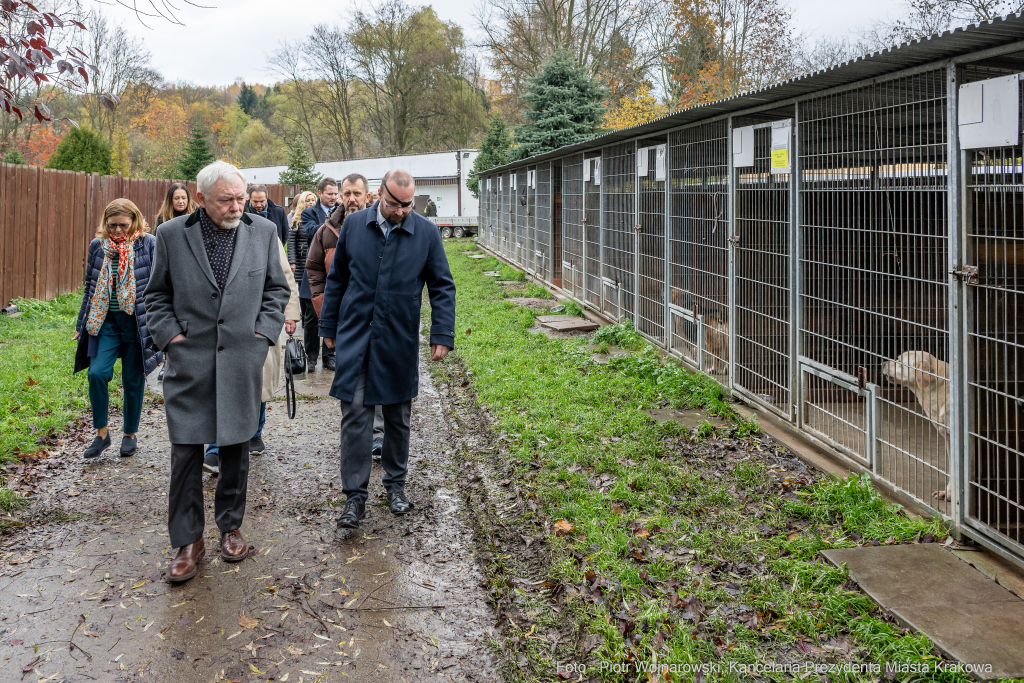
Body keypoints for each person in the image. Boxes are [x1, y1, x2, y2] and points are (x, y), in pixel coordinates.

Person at [145, 160, 289, 582]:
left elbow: (277, 289)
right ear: (201, 197)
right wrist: (171, 337)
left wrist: (262, 334)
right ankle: (189, 541)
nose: (237, 207)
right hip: (189, 361)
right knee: (186, 453)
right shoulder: (171, 235)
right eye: (227, 200)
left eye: (241, 198)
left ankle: (230, 527)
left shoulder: (263, 232)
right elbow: (155, 296)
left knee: (235, 449)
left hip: (241, 358)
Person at [320, 169, 456, 530]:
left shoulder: (425, 232)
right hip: (355, 336)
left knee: (397, 417)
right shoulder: (354, 226)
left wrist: (442, 333)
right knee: (355, 416)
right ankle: (355, 497)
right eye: (394, 204)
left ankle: (396, 486)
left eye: (408, 204)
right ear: (379, 194)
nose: (401, 211)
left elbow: (442, 286)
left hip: (398, 338)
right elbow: (337, 280)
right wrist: (328, 327)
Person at [73, 199, 162, 459]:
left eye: (124, 225)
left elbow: (159, 285)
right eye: (112, 226)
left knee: (133, 380)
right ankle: (102, 434)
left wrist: (160, 324)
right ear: (105, 224)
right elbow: (90, 287)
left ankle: (129, 434)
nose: (118, 231)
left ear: (135, 220)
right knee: (97, 374)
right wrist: (82, 324)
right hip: (106, 322)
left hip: (137, 321)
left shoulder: (149, 244)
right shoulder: (97, 246)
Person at [306, 174, 386, 461]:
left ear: (368, 195)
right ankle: (355, 438)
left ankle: (378, 437)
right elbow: (314, 268)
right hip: (342, 318)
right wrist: (322, 304)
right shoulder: (326, 231)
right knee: (350, 379)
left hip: (374, 316)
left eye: (357, 193)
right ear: (339, 195)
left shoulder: (381, 226)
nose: (352, 198)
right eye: (347, 193)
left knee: (377, 374)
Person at [204, 240, 300, 467]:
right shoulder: (205, 233)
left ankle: (255, 431)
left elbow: (284, 276)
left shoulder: (264, 234)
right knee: (220, 382)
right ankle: (216, 446)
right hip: (217, 321)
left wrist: (290, 313)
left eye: (238, 200)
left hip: (256, 318)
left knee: (256, 378)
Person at [298, 177, 338, 372]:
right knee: (312, 319)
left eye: (335, 193)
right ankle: (311, 357)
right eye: (329, 193)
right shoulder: (308, 213)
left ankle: (329, 357)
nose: (333, 197)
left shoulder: (342, 210)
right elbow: (312, 232)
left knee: (332, 316)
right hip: (314, 273)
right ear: (320, 193)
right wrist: (334, 224)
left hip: (335, 271)